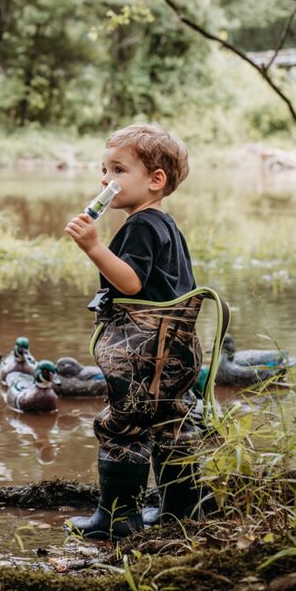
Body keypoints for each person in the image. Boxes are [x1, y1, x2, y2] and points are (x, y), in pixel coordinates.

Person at [64, 122, 204, 540]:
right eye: (103, 170)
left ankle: (117, 519)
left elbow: (131, 284)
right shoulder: (167, 226)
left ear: (155, 180)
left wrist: (93, 247)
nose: (106, 180)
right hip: (177, 349)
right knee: (172, 423)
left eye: (118, 170)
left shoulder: (141, 226)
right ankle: (181, 511)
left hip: (141, 352)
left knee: (121, 425)